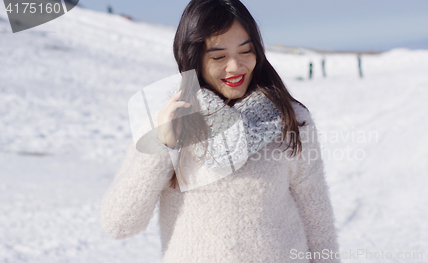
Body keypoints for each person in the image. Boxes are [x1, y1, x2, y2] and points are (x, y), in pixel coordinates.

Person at [100, 0, 341, 262]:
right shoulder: (168, 121)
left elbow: (317, 221)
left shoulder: (290, 119)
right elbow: (120, 224)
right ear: (193, 59)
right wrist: (162, 145)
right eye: (218, 57)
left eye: (246, 51)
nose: (235, 67)